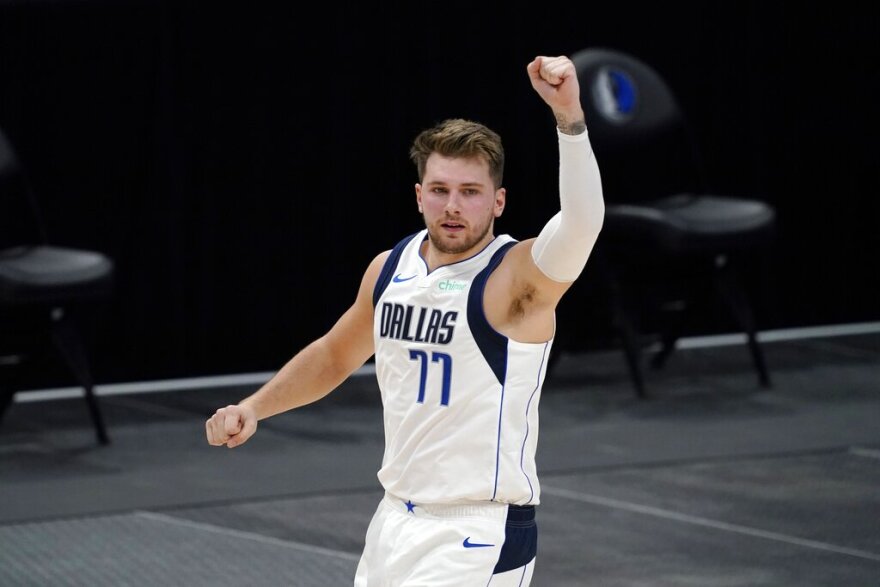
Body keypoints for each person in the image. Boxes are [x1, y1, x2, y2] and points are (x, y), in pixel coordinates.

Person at [205, 54, 604, 586]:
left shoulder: (515, 280)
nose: (452, 206)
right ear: (419, 196)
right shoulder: (391, 267)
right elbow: (334, 354)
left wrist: (569, 118)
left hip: (477, 531)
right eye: (439, 190)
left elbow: (582, 223)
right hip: (393, 520)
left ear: (499, 201)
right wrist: (254, 408)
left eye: (470, 192)